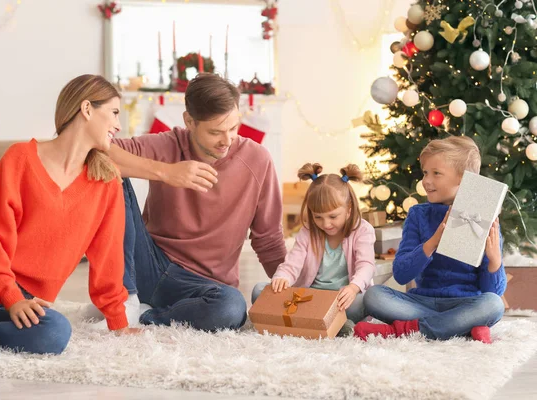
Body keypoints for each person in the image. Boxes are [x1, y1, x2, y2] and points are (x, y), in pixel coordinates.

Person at [0, 74, 142, 365]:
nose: (118, 125)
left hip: (25, 301)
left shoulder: (106, 182)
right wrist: (11, 296)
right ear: (86, 109)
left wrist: (118, 322)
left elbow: (108, 257)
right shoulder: (20, 158)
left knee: (55, 332)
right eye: (114, 112)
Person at [95, 73, 287, 331]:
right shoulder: (167, 143)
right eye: (215, 132)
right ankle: (125, 299)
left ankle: (147, 316)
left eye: (233, 128)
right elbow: (97, 149)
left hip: (203, 287)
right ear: (189, 121)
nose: (227, 140)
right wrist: (167, 172)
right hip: (150, 264)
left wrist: (291, 286)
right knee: (111, 175)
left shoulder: (257, 160)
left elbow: (269, 239)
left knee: (232, 308)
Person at [354, 136, 506, 343]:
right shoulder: (418, 215)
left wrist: (495, 261)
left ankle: (407, 330)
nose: (426, 181)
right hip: (421, 302)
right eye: (425, 172)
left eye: (436, 174)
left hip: (465, 303)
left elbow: (493, 292)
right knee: (373, 297)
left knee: (493, 305)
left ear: (464, 179)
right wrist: (432, 243)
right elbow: (400, 274)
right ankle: (461, 327)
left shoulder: (483, 218)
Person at [252, 163, 376, 333]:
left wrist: (353, 288)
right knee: (259, 290)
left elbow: (366, 265)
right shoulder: (308, 232)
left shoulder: (363, 230)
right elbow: (292, 263)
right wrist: (282, 277)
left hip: (343, 300)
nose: (326, 224)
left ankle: (334, 323)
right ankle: (330, 325)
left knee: (370, 299)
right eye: (318, 217)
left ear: (348, 209)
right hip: (311, 299)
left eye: (333, 216)